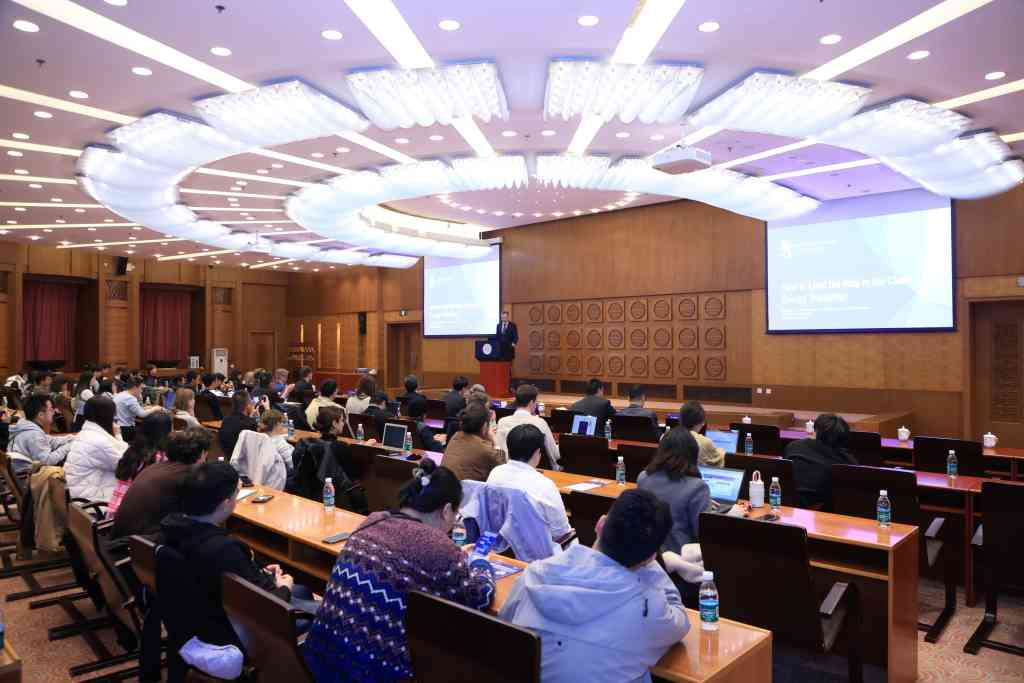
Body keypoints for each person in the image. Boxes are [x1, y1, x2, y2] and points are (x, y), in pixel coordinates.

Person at [303, 460, 495, 682]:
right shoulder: (439, 546)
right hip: (371, 674)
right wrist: (480, 562)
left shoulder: (373, 520)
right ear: (446, 510)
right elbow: (479, 598)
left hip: (318, 661)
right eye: (456, 515)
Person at [499, 488, 688, 683]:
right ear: (650, 557)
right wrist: (650, 562)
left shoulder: (532, 576)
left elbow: (503, 630)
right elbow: (680, 618)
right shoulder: (649, 608)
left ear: (600, 524)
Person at [158, 462, 319, 647]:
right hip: (234, 631)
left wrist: (254, 569)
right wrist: (284, 588)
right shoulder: (222, 549)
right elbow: (265, 611)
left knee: (303, 591)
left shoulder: (171, 530)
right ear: (226, 502)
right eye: (237, 492)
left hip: (199, 619)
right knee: (326, 613)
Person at [113, 426, 209, 538]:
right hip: (137, 543)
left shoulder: (156, 466)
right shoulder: (187, 476)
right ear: (202, 453)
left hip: (120, 536)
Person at [487, 424, 572, 543]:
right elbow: (561, 532)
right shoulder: (545, 485)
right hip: (533, 551)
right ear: (538, 452)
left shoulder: (495, 473)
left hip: (497, 545)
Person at [637, 428, 711, 552]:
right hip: (682, 557)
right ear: (693, 454)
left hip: (648, 554)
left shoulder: (643, 477)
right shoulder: (698, 487)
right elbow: (705, 535)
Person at [107, 411, 173, 521]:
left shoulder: (132, 450)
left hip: (114, 513)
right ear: (166, 433)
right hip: (132, 520)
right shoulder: (159, 457)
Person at [784, 413, 858, 511]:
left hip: (787, 507)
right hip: (823, 512)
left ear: (816, 431)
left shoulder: (793, 446)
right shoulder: (847, 463)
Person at [64, 395, 129, 502]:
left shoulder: (86, 432)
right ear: (106, 416)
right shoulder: (99, 441)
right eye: (113, 415)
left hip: (78, 492)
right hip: (89, 500)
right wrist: (118, 435)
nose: (115, 418)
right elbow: (126, 465)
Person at [7, 394, 76, 477]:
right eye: (51, 409)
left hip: (20, 474)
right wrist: (69, 446)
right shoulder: (33, 434)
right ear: (40, 415)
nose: (54, 411)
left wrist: (73, 438)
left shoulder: (27, 426)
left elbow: (50, 440)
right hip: (26, 477)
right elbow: (47, 461)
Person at [495, 384, 560, 467]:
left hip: (508, 468)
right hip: (536, 469)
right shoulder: (540, 423)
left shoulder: (502, 422)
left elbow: (500, 451)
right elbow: (555, 454)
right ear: (531, 402)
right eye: (536, 402)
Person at [442, 402, 503, 481]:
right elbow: (502, 467)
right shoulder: (485, 449)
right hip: (462, 488)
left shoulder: (456, 436)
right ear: (485, 426)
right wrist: (494, 439)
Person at [114, 376, 162, 443]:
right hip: (126, 428)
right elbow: (142, 414)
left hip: (118, 426)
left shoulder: (122, 394)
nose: (141, 391)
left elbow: (130, 408)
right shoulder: (130, 398)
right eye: (141, 388)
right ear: (135, 387)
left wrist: (143, 408)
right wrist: (155, 408)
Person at [677, 401, 724, 467]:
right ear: (701, 422)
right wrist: (722, 452)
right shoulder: (704, 442)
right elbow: (717, 463)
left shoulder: (667, 437)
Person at [218, 390, 259, 457]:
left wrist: (250, 417)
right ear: (248, 405)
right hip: (244, 460)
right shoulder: (251, 424)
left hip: (228, 457)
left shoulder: (225, 420)